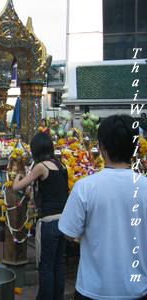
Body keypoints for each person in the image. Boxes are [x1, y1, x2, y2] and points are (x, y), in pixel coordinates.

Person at [59, 115, 147, 299]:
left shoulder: (85, 187)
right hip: (137, 288)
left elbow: (69, 233)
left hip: (93, 289)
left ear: (102, 147)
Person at [13, 132, 68, 300]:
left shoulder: (41, 166)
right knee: (58, 265)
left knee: (46, 267)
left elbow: (18, 187)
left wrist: (17, 176)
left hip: (49, 223)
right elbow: (49, 191)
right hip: (64, 222)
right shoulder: (61, 166)